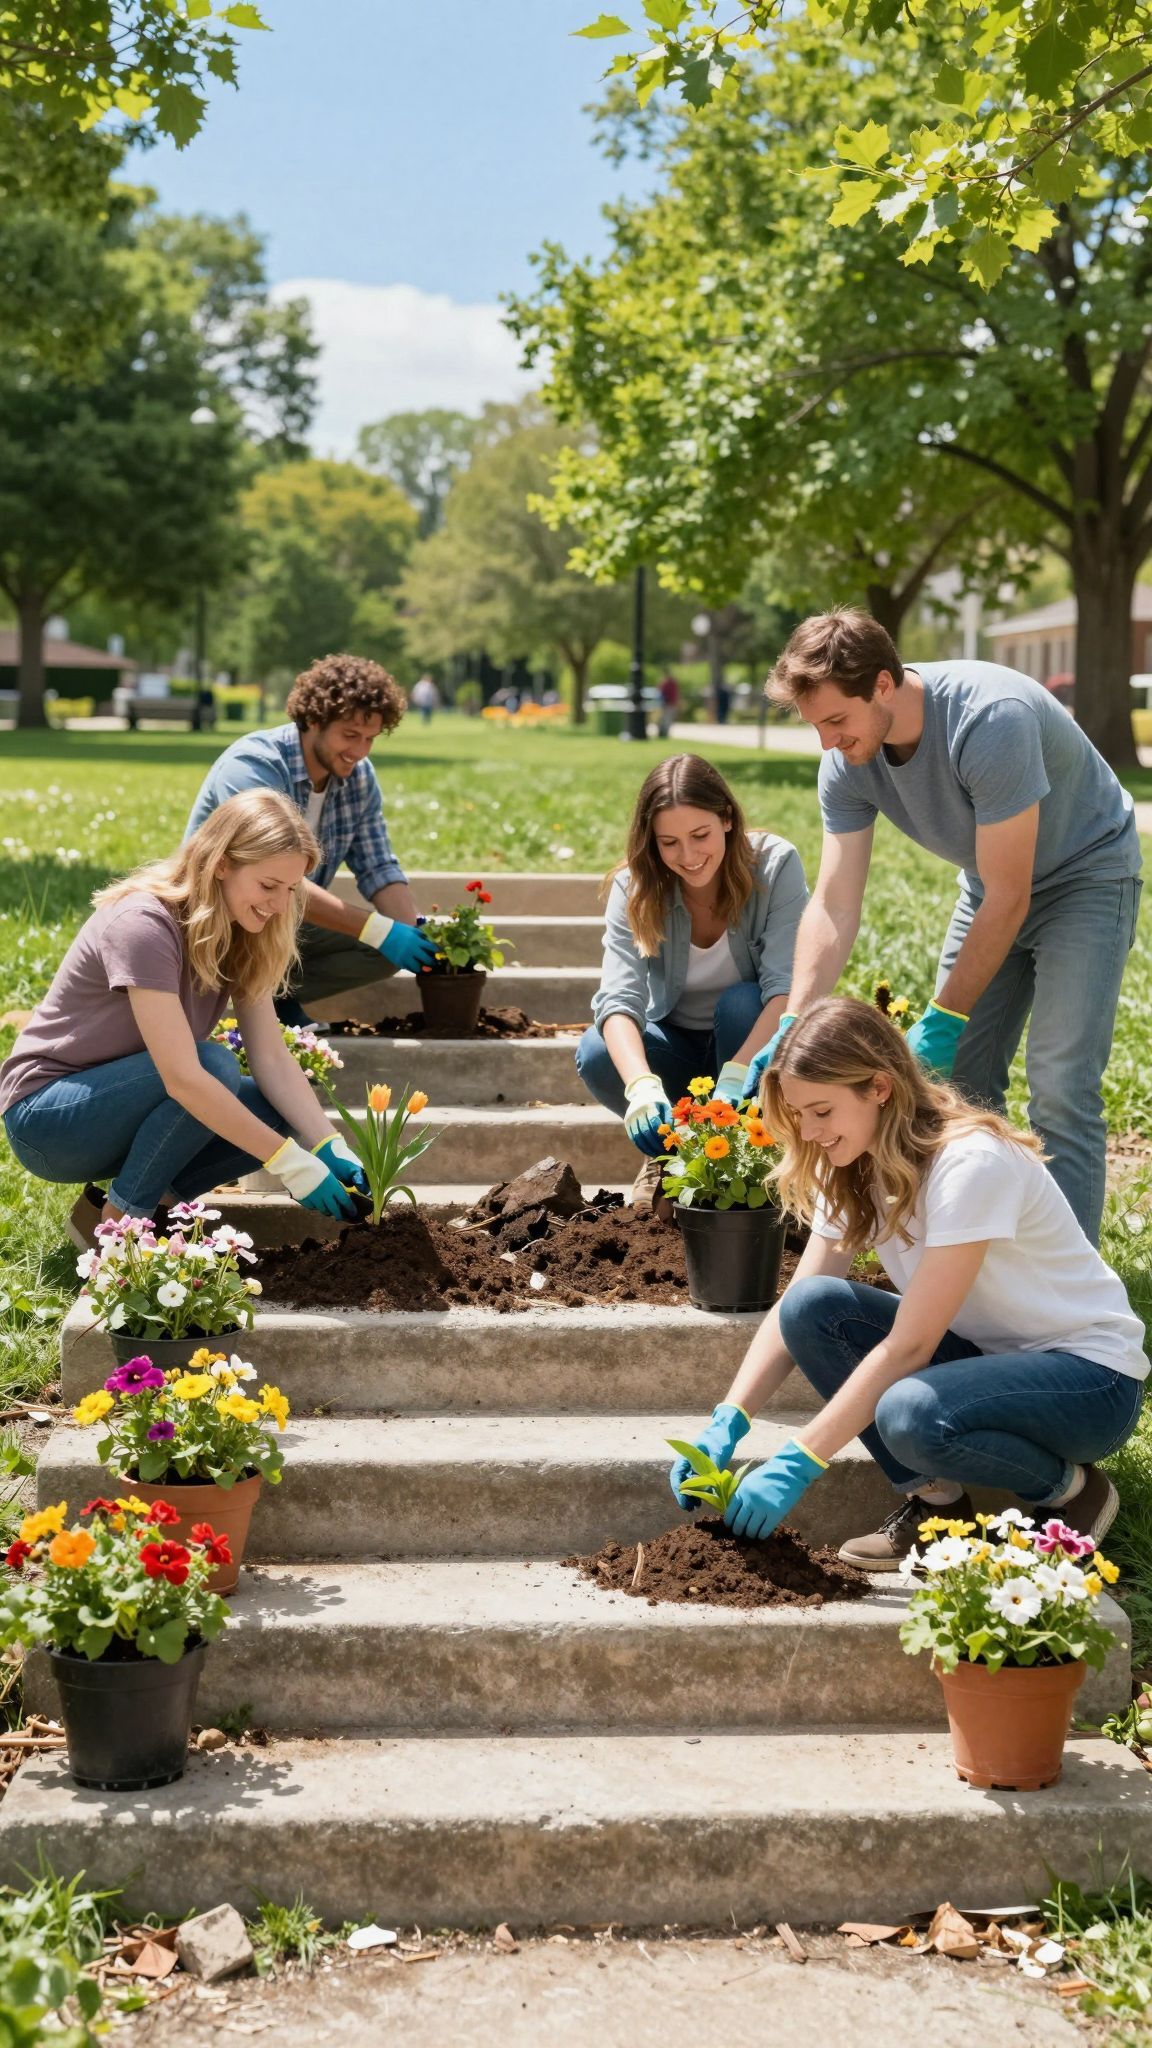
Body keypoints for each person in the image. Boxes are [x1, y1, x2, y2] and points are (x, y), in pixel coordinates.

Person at [670, 998, 1147, 1567]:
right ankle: (939, 1509)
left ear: (879, 1087)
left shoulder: (969, 1163)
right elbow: (795, 1307)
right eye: (799, 1114)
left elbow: (912, 1345)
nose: (810, 1131)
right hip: (988, 1359)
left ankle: (1070, 1491)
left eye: (822, 1111)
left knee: (909, 1412)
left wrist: (801, 1460)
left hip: (1088, 1383)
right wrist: (729, 1419)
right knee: (811, 1307)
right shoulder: (854, 1164)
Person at [744, 609, 1142, 1245]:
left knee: (1062, 1086)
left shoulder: (990, 721)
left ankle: (1072, 1292)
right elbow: (835, 901)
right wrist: (794, 1018)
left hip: (1085, 877)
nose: (827, 743)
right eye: (816, 725)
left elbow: (1013, 895)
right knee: (958, 1085)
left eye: (836, 721)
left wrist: (946, 1016)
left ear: (882, 684)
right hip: (991, 885)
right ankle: (985, 1254)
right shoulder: (846, 761)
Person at [0, 791, 369, 1245]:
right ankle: (121, 1227)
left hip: (121, 1104)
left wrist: (326, 1144)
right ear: (221, 864)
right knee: (212, 1068)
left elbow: (270, 1058)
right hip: (49, 1118)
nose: (278, 905)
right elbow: (182, 1079)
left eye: (290, 890)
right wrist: (288, 1163)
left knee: (273, 1111)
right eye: (268, 885)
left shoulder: (244, 933)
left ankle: (131, 1208)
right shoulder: (144, 922)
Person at [576, 754, 808, 1206]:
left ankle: (755, 1155)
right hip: (677, 1047)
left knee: (741, 1002)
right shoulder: (636, 885)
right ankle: (670, 1157)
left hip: (752, 1043)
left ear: (726, 818)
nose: (688, 856)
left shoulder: (775, 865)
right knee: (598, 1051)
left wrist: (738, 1071)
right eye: (669, 843)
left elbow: (787, 989)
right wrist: (642, 1085)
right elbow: (618, 999)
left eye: (700, 835)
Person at [185, 653, 436, 1028]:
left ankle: (278, 991)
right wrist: (377, 929)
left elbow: (378, 865)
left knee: (386, 948)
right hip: (222, 915)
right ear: (314, 720)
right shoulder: (255, 764)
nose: (360, 751)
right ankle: (250, 996)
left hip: (282, 913)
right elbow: (267, 876)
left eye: (370, 738)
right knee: (356, 924)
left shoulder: (359, 777)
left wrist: (412, 937)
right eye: (350, 735)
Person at [657, 671, 680, 739]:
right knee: (666, 719)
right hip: (668, 704)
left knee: (666, 719)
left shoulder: (668, 683)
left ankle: (664, 733)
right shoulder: (667, 684)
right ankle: (664, 733)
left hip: (670, 703)